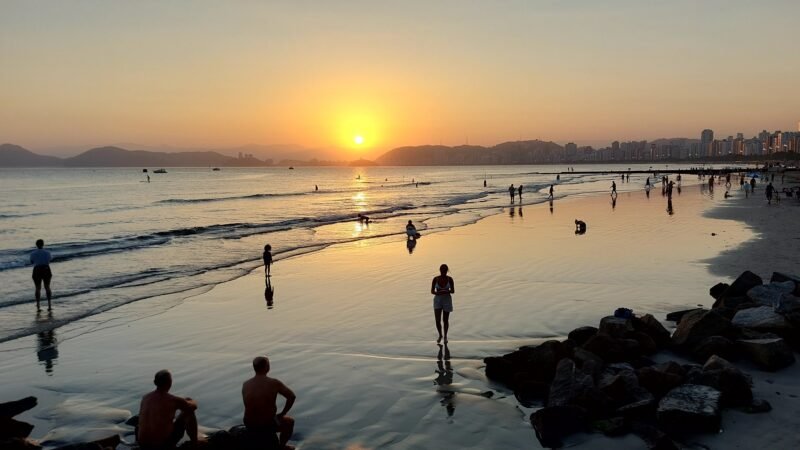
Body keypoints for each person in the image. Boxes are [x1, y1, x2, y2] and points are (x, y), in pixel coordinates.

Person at [242, 356, 296, 450]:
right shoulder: (274, 383)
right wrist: (283, 413)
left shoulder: (246, 384)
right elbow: (292, 396)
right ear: (267, 367)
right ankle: (281, 447)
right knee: (289, 422)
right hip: (266, 424)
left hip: (248, 422)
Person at [137, 370, 199, 450]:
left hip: (142, 444)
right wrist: (191, 400)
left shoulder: (145, 398)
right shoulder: (173, 400)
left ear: (155, 382)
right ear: (170, 382)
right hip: (162, 445)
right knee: (189, 412)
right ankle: (195, 443)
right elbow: (194, 407)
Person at [431, 264, 454, 343]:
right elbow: (432, 291)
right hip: (437, 300)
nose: (443, 272)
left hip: (447, 300)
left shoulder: (450, 279)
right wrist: (438, 293)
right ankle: (440, 335)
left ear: (446, 271)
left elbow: (453, 291)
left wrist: (446, 291)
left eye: (444, 270)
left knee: (445, 320)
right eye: (442, 270)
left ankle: (445, 336)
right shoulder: (435, 279)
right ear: (440, 270)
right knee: (437, 320)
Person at [30, 239, 53, 311]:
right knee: (47, 287)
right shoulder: (47, 252)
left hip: (37, 269)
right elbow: (49, 260)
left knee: (37, 288)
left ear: (36, 245)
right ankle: (49, 305)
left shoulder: (33, 253)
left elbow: (31, 262)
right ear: (43, 244)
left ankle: (38, 305)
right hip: (46, 269)